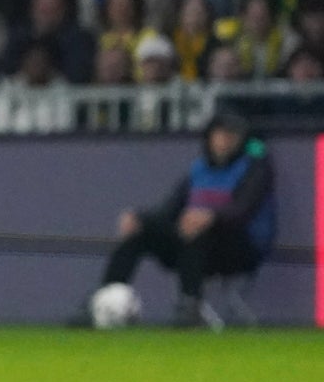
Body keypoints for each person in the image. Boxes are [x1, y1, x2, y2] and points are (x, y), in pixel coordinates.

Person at [82, 112, 274, 328]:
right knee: (139, 233)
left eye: (231, 136)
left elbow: (242, 211)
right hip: (190, 243)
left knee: (196, 230)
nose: (224, 141)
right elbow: (170, 210)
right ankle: (104, 298)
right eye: (220, 135)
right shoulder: (199, 169)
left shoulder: (254, 168)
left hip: (238, 247)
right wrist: (141, 218)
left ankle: (191, 305)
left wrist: (210, 217)